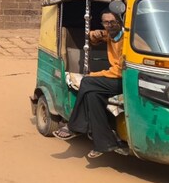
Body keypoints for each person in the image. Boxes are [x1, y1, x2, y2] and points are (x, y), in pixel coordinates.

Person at [53, 8, 129, 158]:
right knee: (92, 96)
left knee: (87, 82)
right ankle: (104, 143)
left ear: (120, 22)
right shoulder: (112, 35)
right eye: (106, 22)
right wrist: (96, 33)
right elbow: (93, 38)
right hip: (115, 79)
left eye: (112, 22)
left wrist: (95, 75)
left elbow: (120, 71)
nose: (109, 25)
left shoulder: (125, 40)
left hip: (124, 80)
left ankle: (74, 126)